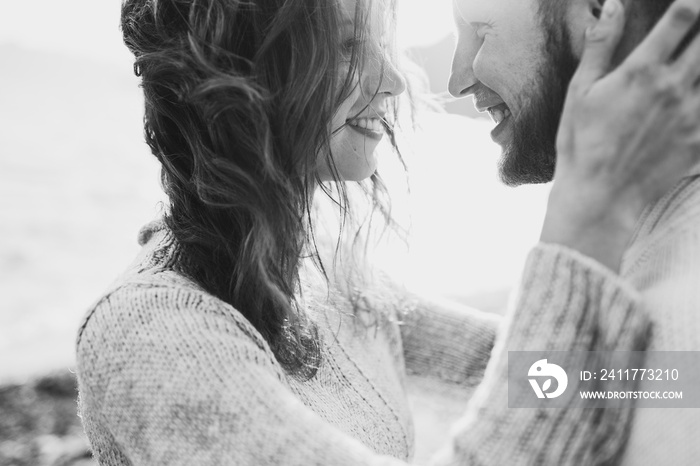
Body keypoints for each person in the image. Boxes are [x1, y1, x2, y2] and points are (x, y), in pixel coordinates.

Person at [74, 0, 700, 465]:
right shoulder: (151, 336)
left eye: (383, 44)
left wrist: (683, 380)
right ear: (244, 74)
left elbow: (535, 372)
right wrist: (588, 210)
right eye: (348, 47)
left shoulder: (326, 275)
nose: (395, 81)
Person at [449, 0, 700, 463]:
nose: (457, 79)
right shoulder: (650, 235)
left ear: (603, 13)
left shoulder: (681, 329)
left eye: (482, 31)